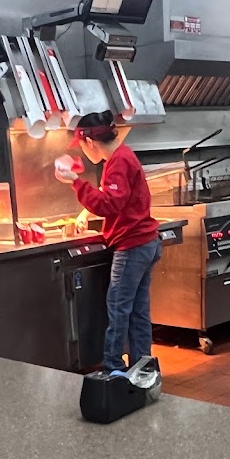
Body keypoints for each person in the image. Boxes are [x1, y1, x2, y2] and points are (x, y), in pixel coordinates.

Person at [55, 110, 160, 373]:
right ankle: (143, 367)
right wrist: (85, 212)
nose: (82, 151)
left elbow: (110, 204)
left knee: (118, 308)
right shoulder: (122, 155)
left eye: (81, 145)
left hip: (132, 246)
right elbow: (113, 195)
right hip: (146, 242)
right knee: (137, 310)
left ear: (90, 142)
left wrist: (76, 182)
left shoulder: (118, 162)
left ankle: (114, 369)